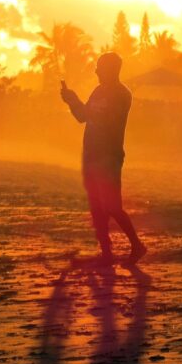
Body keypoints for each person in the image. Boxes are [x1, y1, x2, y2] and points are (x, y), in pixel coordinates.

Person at [60, 52, 147, 266]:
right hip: (91, 155)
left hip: (108, 157)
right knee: (97, 207)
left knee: (112, 206)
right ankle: (106, 253)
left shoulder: (122, 95)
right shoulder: (99, 91)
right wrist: (71, 100)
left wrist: (78, 103)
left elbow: (104, 119)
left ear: (112, 69)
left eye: (100, 67)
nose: (96, 71)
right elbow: (83, 116)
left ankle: (137, 245)